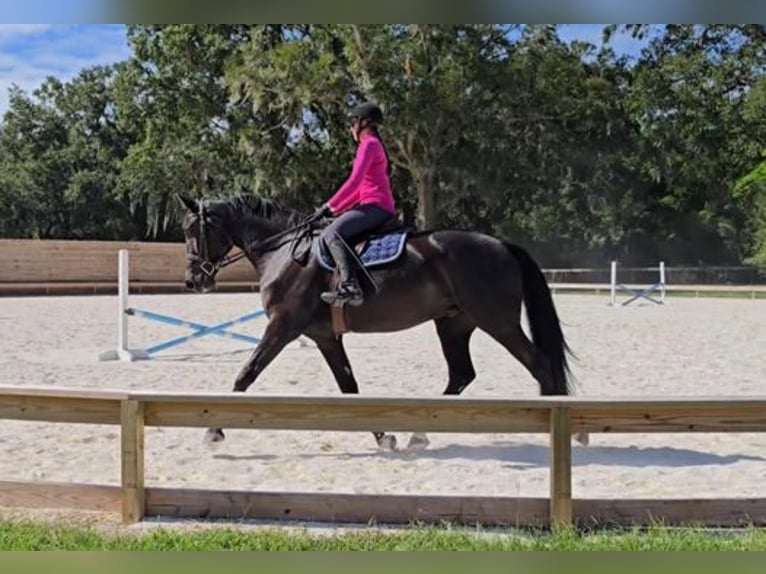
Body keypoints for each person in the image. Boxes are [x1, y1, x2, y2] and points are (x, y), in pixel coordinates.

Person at [313, 102, 397, 307]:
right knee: (334, 227)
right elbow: (359, 190)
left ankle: (350, 286)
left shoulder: (368, 144)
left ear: (363, 123)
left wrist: (329, 205)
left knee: (332, 234)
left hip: (376, 205)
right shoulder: (373, 144)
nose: (351, 128)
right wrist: (334, 209)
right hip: (371, 203)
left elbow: (354, 181)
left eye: (352, 122)